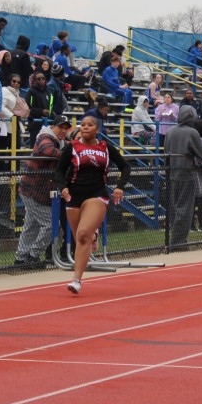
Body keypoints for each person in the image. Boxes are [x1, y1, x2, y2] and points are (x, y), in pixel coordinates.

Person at [55, 116, 130, 294]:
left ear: (97, 129)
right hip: (73, 196)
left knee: (82, 234)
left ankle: (76, 280)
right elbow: (59, 170)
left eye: (90, 125)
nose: (85, 127)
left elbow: (125, 167)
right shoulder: (72, 147)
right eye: (83, 125)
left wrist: (119, 187)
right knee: (81, 240)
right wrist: (63, 188)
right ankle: (94, 237)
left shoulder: (105, 147)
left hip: (96, 194)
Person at [16, 117, 72, 265]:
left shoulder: (60, 141)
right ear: (53, 126)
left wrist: (74, 146)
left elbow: (72, 146)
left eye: (66, 128)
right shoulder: (45, 136)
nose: (63, 130)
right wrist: (69, 154)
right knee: (51, 224)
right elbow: (46, 149)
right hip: (32, 190)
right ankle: (33, 256)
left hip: (39, 191)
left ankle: (20, 258)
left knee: (31, 226)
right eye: (60, 127)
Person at [165, 106, 202, 249]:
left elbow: (166, 151)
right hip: (187, 173)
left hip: (172, 173)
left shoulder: (170, 131)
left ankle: (174, 239)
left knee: (174, 207)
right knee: (186, 208)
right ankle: (178, 241)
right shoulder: (192, 132)